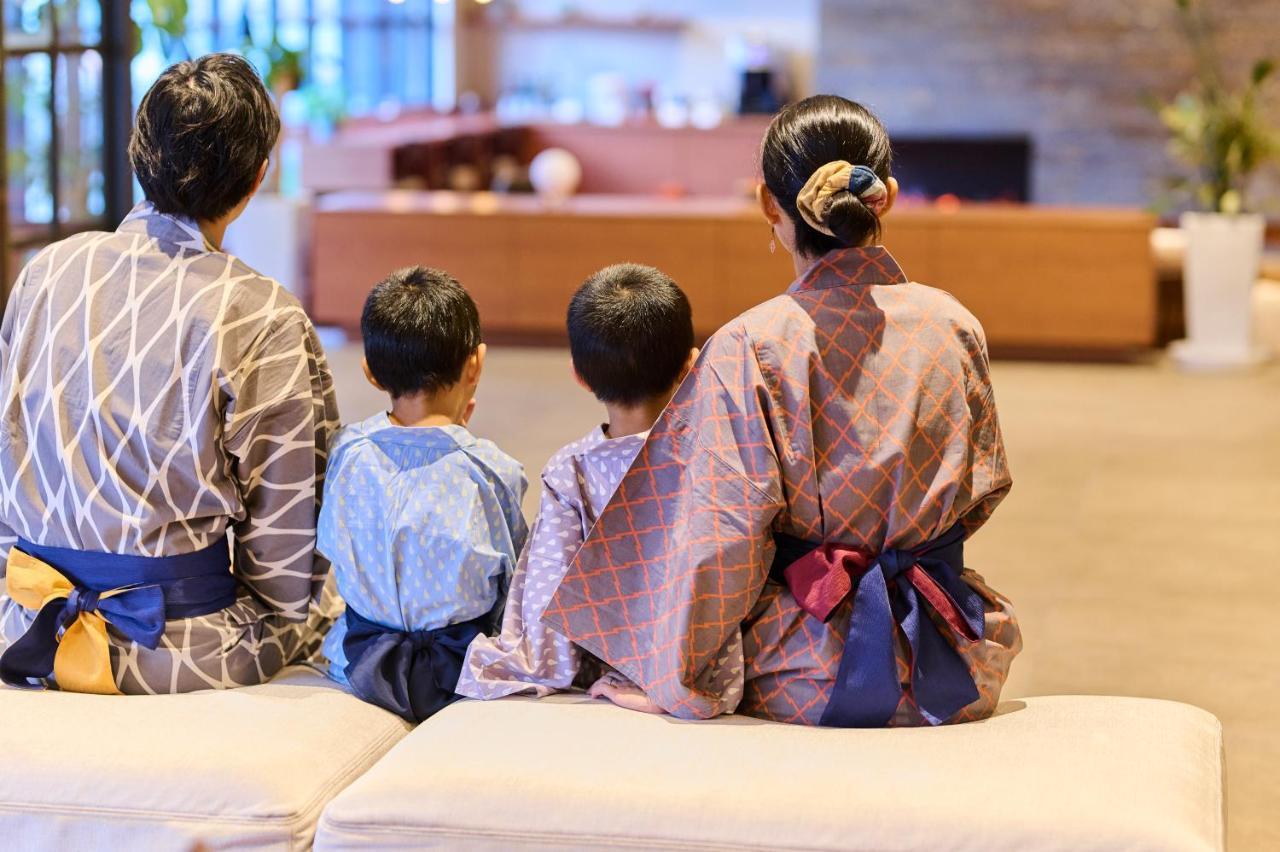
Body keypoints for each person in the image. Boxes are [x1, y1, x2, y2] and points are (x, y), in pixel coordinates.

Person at [544, 95, 1023, 726]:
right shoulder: (955, 325)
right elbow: (982, 492)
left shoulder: (748, 346)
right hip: (953, 653)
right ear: (889, 196)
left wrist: (670, 677)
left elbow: (722, 542)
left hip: (813, 667)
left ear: (770, 204)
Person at [0, 54, 340, 694]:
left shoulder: (45, 273)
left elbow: (6, 453)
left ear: (138, 153)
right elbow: (287, 562)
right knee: (333, 615)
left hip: (29, 625)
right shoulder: (261, 312)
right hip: (177, 648)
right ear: (256, 177)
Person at [457, 264, 697, 701]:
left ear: (579, 375)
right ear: (690, 365)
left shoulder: (572, 470)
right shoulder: (715, 453)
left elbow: (549, 586)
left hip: (606, 658)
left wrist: (544, 664)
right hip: (696, 651)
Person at [320, 266, 527, 722]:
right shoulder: (491, 471)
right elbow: (513, 588)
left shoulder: (346, 453)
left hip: (358, 665)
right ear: (475, 364)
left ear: (371, 373)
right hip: (460, 675)